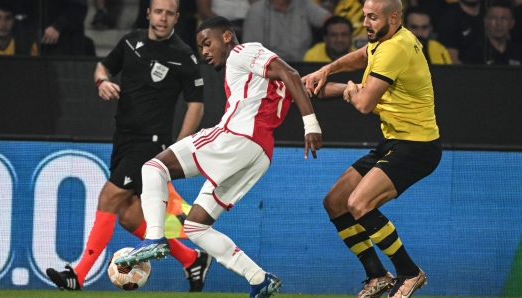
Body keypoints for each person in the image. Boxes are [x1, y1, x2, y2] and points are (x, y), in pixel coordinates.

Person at [114, 16, 323, 298]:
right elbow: (304, 84)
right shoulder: (259, 78)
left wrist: (311, 124)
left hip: (237, 136)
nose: (205, 52)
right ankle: (259, 279)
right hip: (259, 154)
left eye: (207, 43)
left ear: (226, 36)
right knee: (196, 226)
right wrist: (346, 90)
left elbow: (292, 75)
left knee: (154, 166)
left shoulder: (242, 52)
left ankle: (154, 237)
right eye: (201, 47)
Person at [45, 0, 212, 292]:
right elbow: (102, 67)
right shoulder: (131, 41)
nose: (163, 18)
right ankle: (192, 259)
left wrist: (175, 150)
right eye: (158, 12)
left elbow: (195, 106)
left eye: (169, 13)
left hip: (151, 145)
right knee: (130, 216)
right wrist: (102, 82)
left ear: (177, 18)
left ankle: (78, 275)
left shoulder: (184, 56)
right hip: (123, 139)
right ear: (148, 13)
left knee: (109, 197)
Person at [302, 0, 441, 298]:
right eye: (364, 16)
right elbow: (362, 55)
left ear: (393, 17)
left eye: (372, 17)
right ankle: (377, 275)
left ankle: (410, 273)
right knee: (335, 201)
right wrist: (328, 69)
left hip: (417, 146)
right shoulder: (386, 38)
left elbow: (364, 104)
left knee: (359, 204)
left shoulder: (395, 49)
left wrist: (348, 90)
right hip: (394, 142)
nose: (365, 23)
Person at [242, 0, 332, 62]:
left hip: (303, 66)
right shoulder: (257, 10)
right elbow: (251, 51)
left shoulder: (302, 4)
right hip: (270, 69)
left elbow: (332, 22)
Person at [463, 0, 522, 66]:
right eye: (493, 18)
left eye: (504, 18)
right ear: (485, 21)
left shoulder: (520, 53)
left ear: (512, 23)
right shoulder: (474, 53)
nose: (498, 23)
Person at [436, 0, 485, 64]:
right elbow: (452, 60)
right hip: (465, 72)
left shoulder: (491, 13)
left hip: (495, 70)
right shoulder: (449, 18)